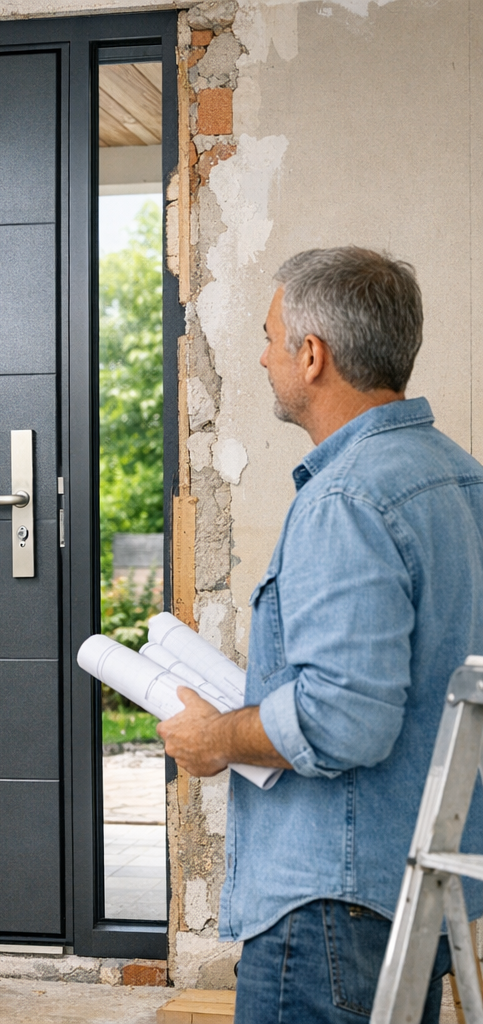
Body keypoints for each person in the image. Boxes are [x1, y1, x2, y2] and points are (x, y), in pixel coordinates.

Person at [158, 248, 483, 1024]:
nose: (264, 356)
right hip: (413, 891)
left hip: (333, 903)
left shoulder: (347, 498)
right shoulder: (461, 480)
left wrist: (217, 738)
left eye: (271, 338)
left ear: (313, 356)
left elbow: (345, 717)